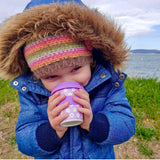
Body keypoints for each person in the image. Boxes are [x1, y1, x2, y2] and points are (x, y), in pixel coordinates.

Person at [0, 0, 136, 159]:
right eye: (52, 76)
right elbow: (24, 139)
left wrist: (93, 124)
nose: (67, 82)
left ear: (90, 59)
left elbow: (126, 124)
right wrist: (52, 131)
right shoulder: (32, 92)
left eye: (76, 69)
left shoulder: (107, 83)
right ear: (36, 75)